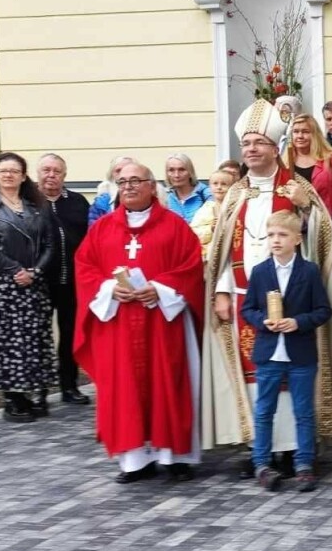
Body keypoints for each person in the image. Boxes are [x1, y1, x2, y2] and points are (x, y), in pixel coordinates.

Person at [202, 99, 332, 468]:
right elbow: (224, 248)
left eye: (259, 142)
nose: (251, 149)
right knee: (257, 375)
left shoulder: (296, 187)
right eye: (246, 144)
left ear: (276, 148)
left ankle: (292, 447)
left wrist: (306, 209)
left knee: (292, 374)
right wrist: (223, 291)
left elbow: (323, 240)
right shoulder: (236, 194)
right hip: (248, 301)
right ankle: (260, 447)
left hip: (296, 302)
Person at [74, 161, 205, 483]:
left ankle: (175, 456)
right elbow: (85, 268)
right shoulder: (103, 228)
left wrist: (159, 289)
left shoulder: (175, 226)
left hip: (163, 324)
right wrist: (109, 288)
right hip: (119, 325)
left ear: (151, 186)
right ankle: (134, 461)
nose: (129, 186)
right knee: (124, 389)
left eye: (136, 181)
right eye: (123, 182)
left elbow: (191, 268)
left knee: (169, 383)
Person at [241, 210, 332, 493]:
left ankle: (304, 463)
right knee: (264, 410)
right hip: (268, 353)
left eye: (282, 235)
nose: (276, 240)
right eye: (271, 235)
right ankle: (262, 464)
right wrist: (262, 322)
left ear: (297, 238)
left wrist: (298, 322)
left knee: (303, 411)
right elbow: (248, 309)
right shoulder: (259, 272)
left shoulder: (309, 271)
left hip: (300, 354)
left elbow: (323, 310)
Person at [0, 151, 56, 423]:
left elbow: (50, 244)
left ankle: (31, 393)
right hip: (2, 286)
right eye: (3, 170)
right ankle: (12, 399)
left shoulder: (36, 205)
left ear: (23, 175)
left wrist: (36, 271)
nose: (8, 175)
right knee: (7, 344)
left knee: (32, 341)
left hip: (33, 284)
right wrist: (15, 270)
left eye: (14, 170)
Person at [37, 153, 91, 406]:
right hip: (40, 282)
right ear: (38, 174)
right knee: (39, 335)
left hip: (72, 281)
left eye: (56, 171)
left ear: (64, 175)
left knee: (70, 334)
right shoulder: (28, 203)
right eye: (46, 170)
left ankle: (69, 386)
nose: (51, 175)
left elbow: (89, 240)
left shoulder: (78, 202)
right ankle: (39, 390)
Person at [287, 114, 332, 216]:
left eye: (305, 132)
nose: (300, 136)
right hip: (293, 225)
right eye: (296, 132)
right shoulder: (286, 161)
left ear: (315, 134)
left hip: (327, 222)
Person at [189, 168, 236, 259]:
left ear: (232, 188)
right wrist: (211, 229)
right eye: (215, 184)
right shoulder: (206, 209)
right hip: (210, 258)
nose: (219, 187)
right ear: (210, 187)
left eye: (224, 184)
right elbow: (193, 234)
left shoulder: (236, 208)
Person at [164, 153, 213, 223]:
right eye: (171, 170)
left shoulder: (207, 194)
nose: (176, 175)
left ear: (190, 172)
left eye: (182, 170)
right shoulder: (164, 197)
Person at [88, 155, 135, 225]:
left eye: (128, 170)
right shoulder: (101, 203)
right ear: (112, 174)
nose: (123, 174)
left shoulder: (146, 196)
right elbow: (94, 231)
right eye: (118, 171)